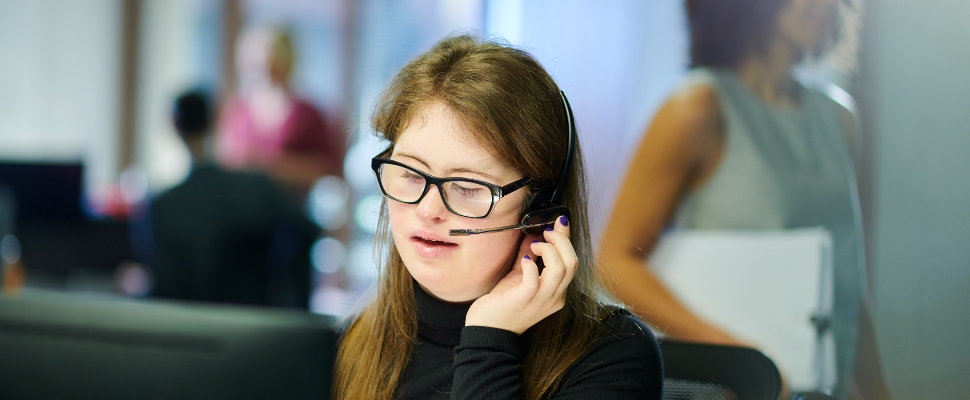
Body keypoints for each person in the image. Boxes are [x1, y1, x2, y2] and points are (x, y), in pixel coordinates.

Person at [333, 35, 663, 399]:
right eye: (411, 175)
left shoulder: (613, 358)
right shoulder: (346, 349)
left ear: (541, 209)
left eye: (469, 187)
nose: (428, 210)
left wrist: (489, 338)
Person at [597, 0, 890, 399]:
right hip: (733, 389)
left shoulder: (840, 118)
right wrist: (742, 359)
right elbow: (614, 261)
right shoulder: (697, 109)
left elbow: (849, 285)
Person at [132, 89, 319, 308]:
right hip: (257, 326)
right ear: (215, 119)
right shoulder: (258, 189)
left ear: (175, 125)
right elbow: (308, 229)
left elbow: (164, 289)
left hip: (188, 330)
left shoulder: (161, 207)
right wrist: (288, 302)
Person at [217, 25, 345, 199]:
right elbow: (225, 162)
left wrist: (274, 166)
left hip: (290, 212)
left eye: (272, 58)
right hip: (242, 209)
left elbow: (329, 169)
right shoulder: (238, 110)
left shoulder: (307, 116)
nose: (264, 66)